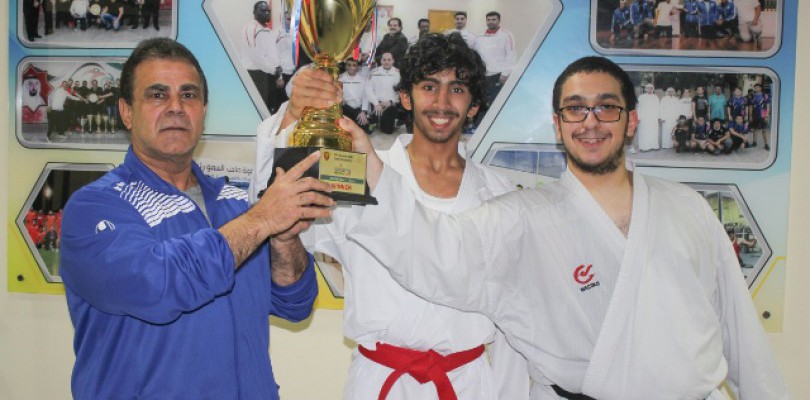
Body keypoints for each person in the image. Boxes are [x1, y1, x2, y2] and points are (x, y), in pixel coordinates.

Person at [346, 55, 788, 399]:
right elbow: (434, 249)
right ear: (558, 125)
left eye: (607, 108)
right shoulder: (522, 217)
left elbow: (740, 334)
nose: (591, 122)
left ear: (632, 121)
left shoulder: (687, 208)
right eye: (576, 110)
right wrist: (371, 168)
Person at [249, 32, 529, 400]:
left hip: (468, 383)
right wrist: (292, 116)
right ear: (405, 97)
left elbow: (514, 321)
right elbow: (274, 207)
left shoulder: (499, 193)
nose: (442, 102)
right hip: (380, 379)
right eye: (428, 86)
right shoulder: (358, 170)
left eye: (457, 89)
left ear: (474, 105)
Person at [59, 38, 333, 399]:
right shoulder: (94, 207)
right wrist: (263, 220)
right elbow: (159, 285)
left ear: (203, 109)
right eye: (158, 95)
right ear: (126, 112)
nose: (176, 107)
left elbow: (295, 303)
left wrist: (284, 239)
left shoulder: (236, 203)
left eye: (188, 95)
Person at [242, 1, 284, 114]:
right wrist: (272, 69)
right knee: (258, 106)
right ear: (254, 12)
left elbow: (272, 52)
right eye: (262, 10)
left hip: (269, 73)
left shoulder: (268, 30)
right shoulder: (251, 28)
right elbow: (253, 54)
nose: (266, 13)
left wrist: (277, 69)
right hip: (256, 73)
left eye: (268, 11)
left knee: (269, 105)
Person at [474, 11, 516, 111]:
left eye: (494, 19)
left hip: (498, 76)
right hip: (483, 76)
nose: (491, 22)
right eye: (488, 20)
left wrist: (505, 74)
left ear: (499, 21)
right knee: (481, 105)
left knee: (495, 106)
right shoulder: (480, 37)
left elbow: (511, 55)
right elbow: (475, 55)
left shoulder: (506, 35)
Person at [365, 52, 401, 134]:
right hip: (377, 103)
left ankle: (386, 119)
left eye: (389, 60)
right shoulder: (374, 72)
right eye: (384, 60)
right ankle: (375, 118)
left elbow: (399, 90)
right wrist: (376, 103)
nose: (386, 62)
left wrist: (391, 101)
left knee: (388, 131)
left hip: (390, 104)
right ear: (381, 61)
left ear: (393, 61)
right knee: (369, 128)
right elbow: (369, 89)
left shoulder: (397, 73)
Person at [339, 58, 372, 134]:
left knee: (364, 129)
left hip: (357, 108)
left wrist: (363, 112)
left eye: (354, 65)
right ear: (345, 66)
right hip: (345, 108)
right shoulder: (340, 78)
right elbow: (337, 93)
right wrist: (341, 98)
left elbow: (365, 97)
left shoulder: (362, 79)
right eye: (349, 65)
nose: (351, 67)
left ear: (357, 67)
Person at [636, 83, 660, 151]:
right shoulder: (641, 97)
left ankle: (654, 146)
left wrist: (659, 117)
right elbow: (639, 108)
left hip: (653, 118)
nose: (650, 89)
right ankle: (644, 147)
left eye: (651, 88)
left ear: (653, 89)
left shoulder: (655, 97)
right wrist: (638, 117)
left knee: (653, 132)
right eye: (648, 88)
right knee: (644, 132)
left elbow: (658, 108)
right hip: (644, 118)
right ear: (646, 89)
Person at [750, 83, 771, 150]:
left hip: (763, 113)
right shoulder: (753, 95)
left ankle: (766, 144)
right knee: (755, 129)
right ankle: (754, 142)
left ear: (761, 88)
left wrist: (767, 114)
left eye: (758, 87)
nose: (756, 88)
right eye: (755, 87)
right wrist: (750, 115)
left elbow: (768, 105)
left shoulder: (764, 95)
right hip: (755, 114)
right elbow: (751, 106)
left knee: (764, 130)